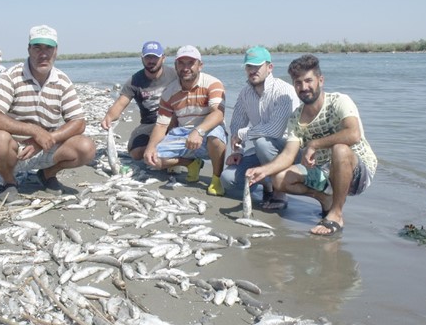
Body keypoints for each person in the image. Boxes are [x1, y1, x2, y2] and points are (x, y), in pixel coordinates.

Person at [246, 54, 377, 236]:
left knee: (339, 150)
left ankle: (336, 214)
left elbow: (353, 134)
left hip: (358, 171)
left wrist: (314, 144)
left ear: (320, 80)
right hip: (324, 172)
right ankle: (326, 199)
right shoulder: (296, 117)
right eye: (298, 83)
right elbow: (288, 155)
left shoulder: (339, 101)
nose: (304, 87)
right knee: (279, 179)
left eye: (309, 81)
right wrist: (264, 171)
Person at [0, 24, 96, 202]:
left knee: (86, 147)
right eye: (37, 48)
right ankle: (9, 181)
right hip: (15, 149)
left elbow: (79, 122)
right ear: (29, 49)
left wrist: (48, 138)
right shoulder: (11, 76)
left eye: (48, 48)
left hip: (46, 147)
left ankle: (46, 175)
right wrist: (34, 131)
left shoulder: (62, 81)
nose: (43, 54)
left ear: (56, 51)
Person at [221, 46, 300, 210]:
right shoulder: (245, 93)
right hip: (262, 151)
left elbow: (275, 130)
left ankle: (280, 192)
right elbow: (236, 123)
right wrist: (237, 151)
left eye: (257, 66)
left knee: (262, 142)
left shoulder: (284, 90)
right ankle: (267, 184)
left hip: (291, 152)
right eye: (249, 66)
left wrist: (243, 135)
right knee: (227, 179)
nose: (253, 70)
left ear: (269, 67)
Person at [143, 45, 228, 196]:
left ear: (200, 66)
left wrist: (198, 131)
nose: (186, 67)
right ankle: (191, 163)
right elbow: (161, 125)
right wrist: (150, 147)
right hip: (182, 135)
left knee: (216, 136)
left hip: (208, 132)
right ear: (175, 65)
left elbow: (218, 114)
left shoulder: (213, 84)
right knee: (153, 160)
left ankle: (216, 179)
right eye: (181, 63)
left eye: (191, 63)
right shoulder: (169, 92)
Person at [100, 41, 177, 160]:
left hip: (172, 121)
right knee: (135, 153)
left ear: (163, 58)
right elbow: (120, 103)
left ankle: (169, 152)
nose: (151, 61)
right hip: (149, 124)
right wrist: (109, 117)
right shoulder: (134, 81)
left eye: (155, 57)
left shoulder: (174, 75)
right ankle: (163, 150)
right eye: (148, 57)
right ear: (142, 58)